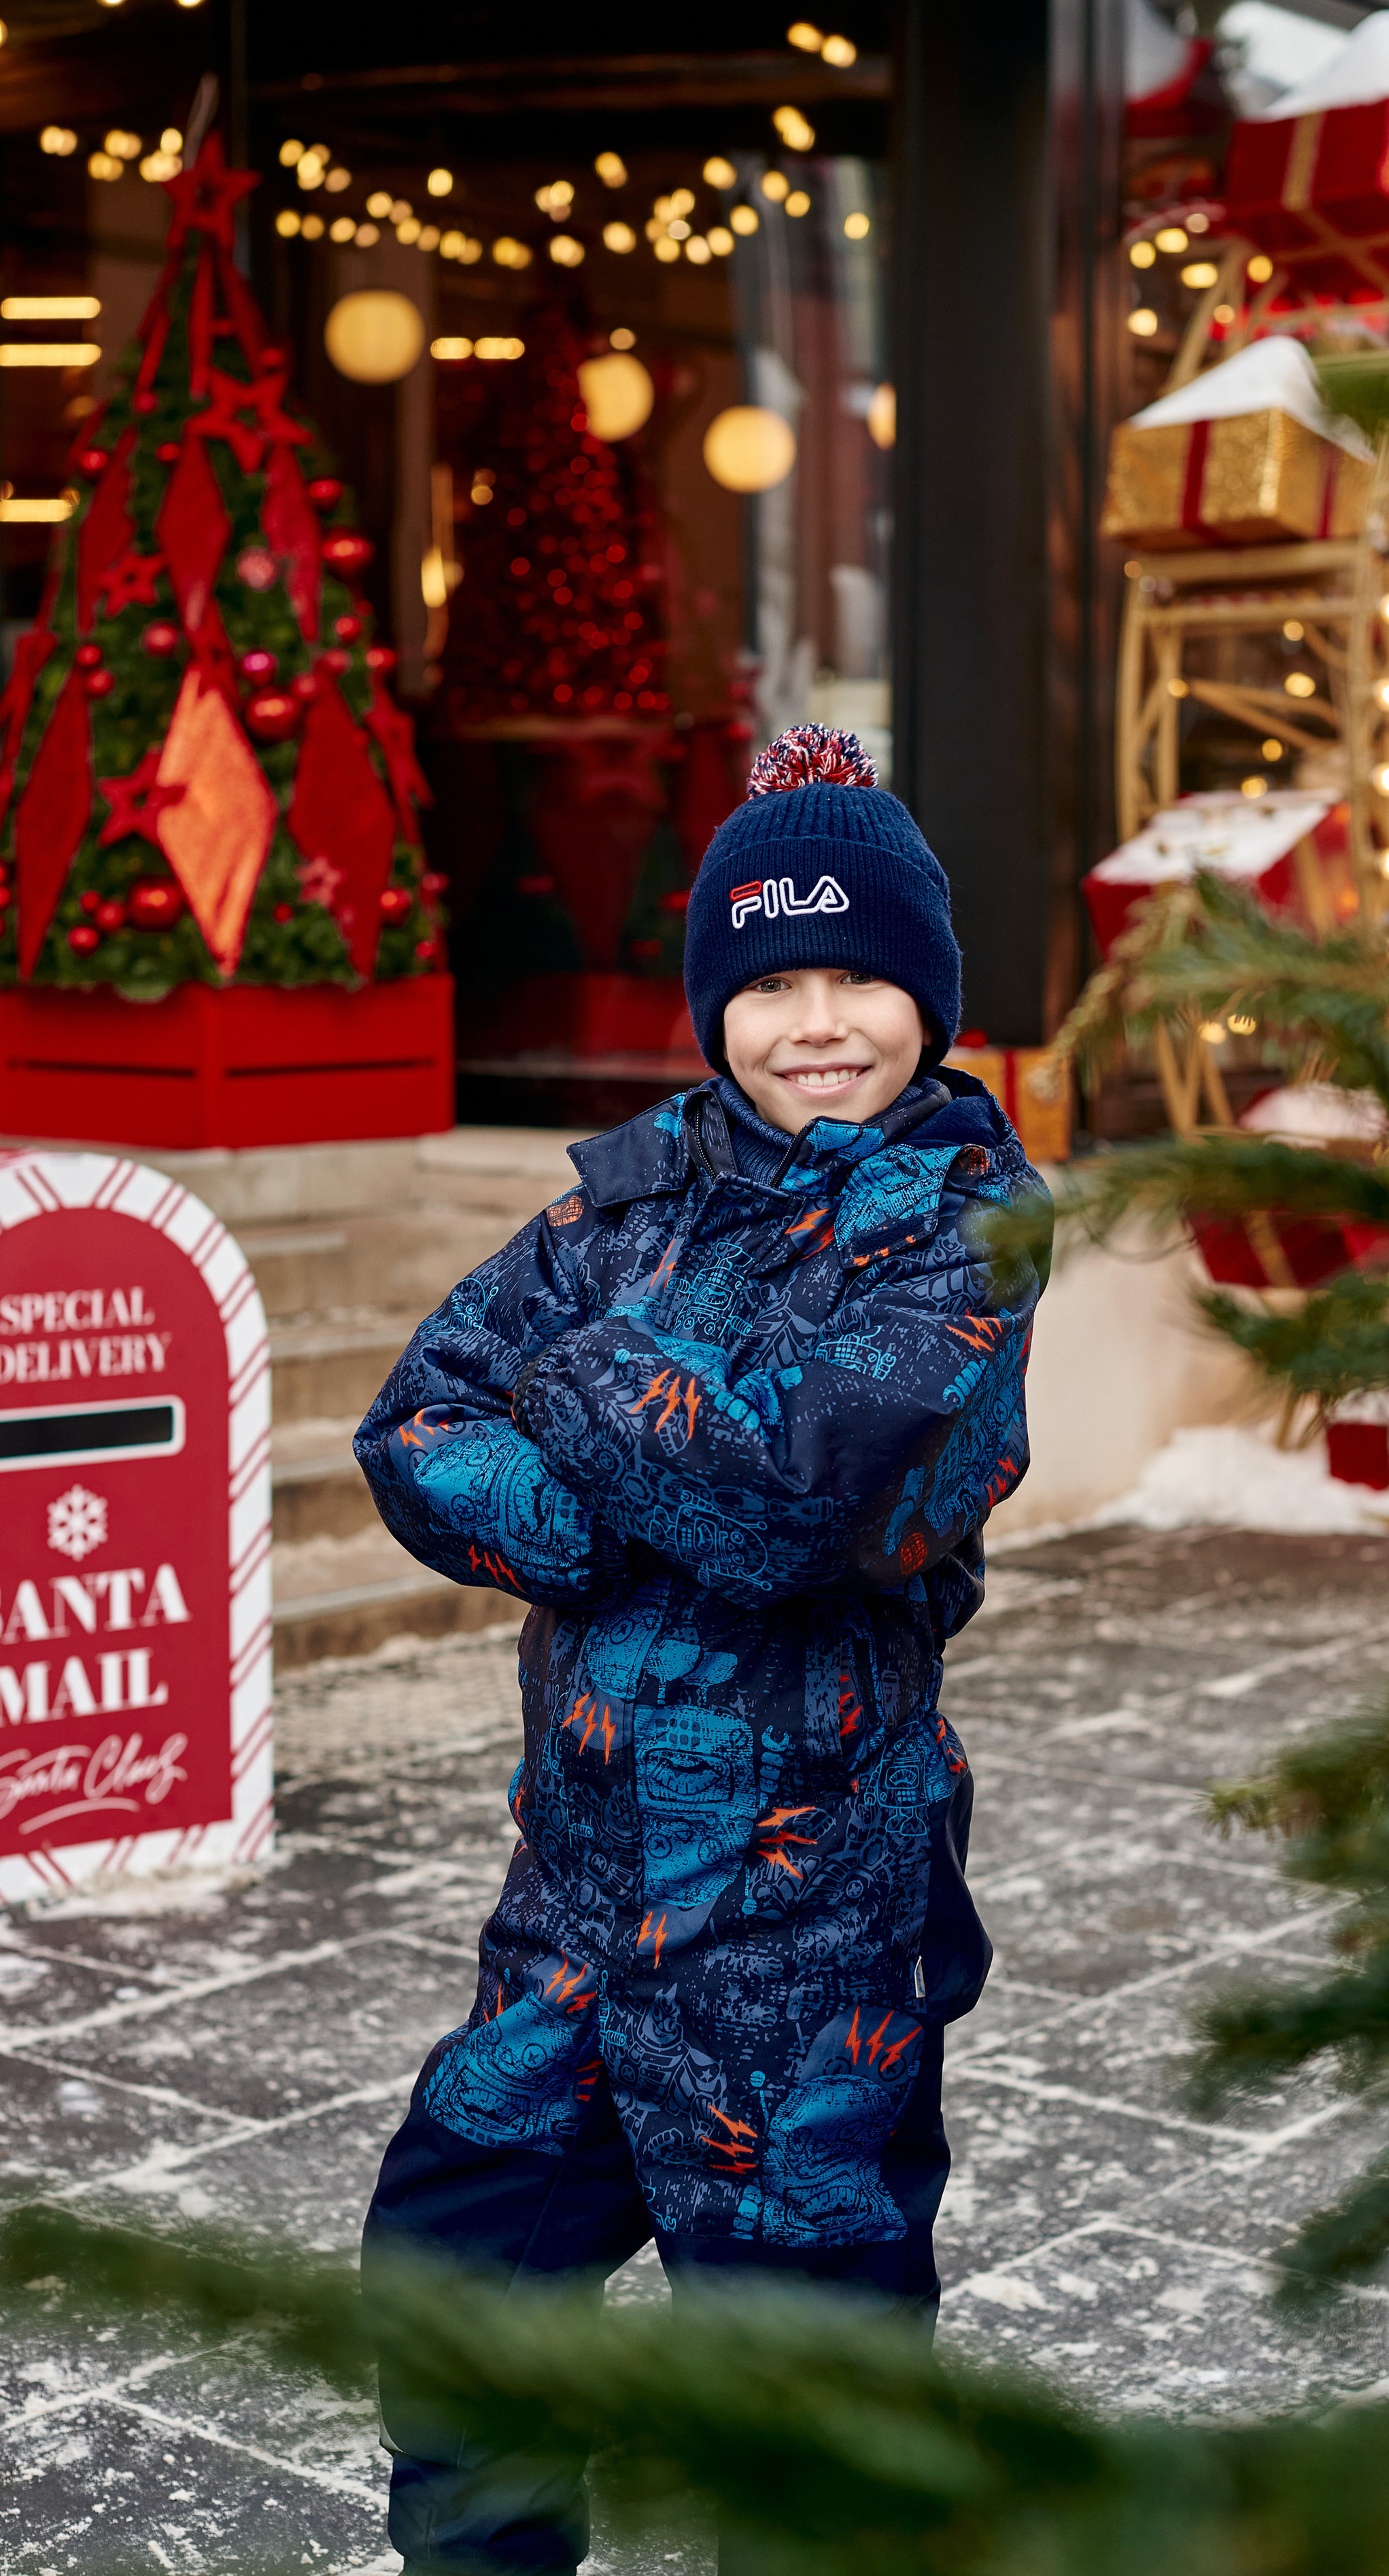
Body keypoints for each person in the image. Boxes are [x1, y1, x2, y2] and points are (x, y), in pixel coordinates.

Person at [354, 723, 1050, 2575]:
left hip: (807, 1943)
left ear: (930, 1000)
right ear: (716, 1003)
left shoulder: (964, 1228)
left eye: (861, 978)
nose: (815, 1022)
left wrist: (579, 1387)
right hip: (574, 1915)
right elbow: (415, 1433)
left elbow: (806, 1497)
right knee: (451, 2278)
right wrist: (631, 1464)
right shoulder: (632, 1188)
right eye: (771, 982)